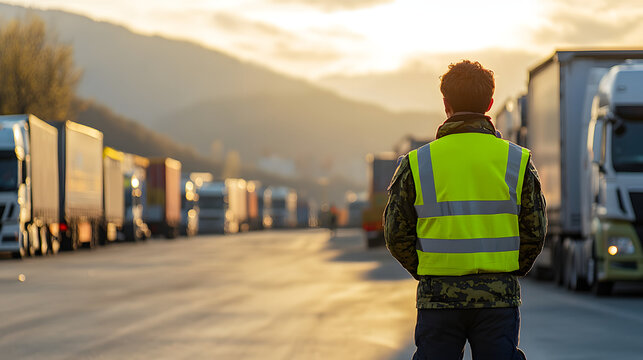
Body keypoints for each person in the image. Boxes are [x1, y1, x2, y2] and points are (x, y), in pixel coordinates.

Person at [384, 60, 546, 360]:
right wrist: (508, 271)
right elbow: (535, 232)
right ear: (490, 103)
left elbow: (396, 234)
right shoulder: (517, 161)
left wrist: (428, 272)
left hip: (439, 300)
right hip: (498, 299)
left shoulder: (418, 163)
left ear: (446, 104)